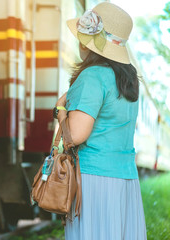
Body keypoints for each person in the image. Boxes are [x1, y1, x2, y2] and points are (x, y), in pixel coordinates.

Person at [54, 2, 147, 240]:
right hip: (126, 180)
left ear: (88, 43)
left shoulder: (93, 75)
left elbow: (75, 135)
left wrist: (61, 111)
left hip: (95, 181)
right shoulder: (129, 81)